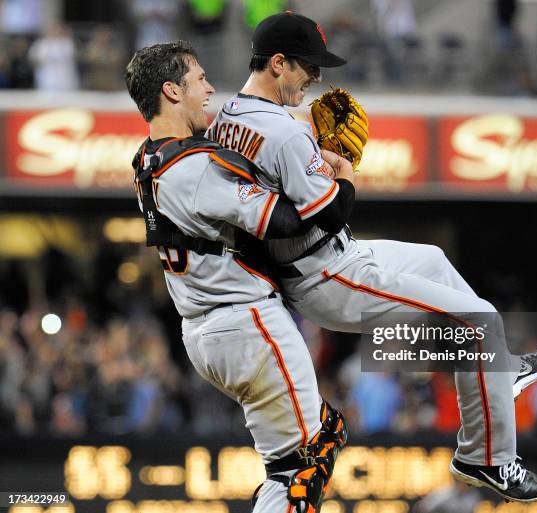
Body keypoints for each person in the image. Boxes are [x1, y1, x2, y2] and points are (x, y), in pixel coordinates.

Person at [207, 11, 537, 503]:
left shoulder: (229, 116)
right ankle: (486, 458)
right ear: (279, 63)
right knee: (479, 319)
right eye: (309, 66)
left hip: (323, 256)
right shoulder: (286, 133)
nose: (317, 78)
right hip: (324, 273)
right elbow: (329, 213)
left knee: (435, 259)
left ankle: (495, 369)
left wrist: (314, 161)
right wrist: (345, 169)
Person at [125, 41, 348, 513]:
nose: (209, 89)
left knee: (290, 465)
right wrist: (331, 180)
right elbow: (285, 220)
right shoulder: (195, 167)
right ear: (171, 91)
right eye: (199, 80)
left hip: (205, 331)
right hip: (246, 324)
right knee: (309, 460)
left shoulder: (147, 160)